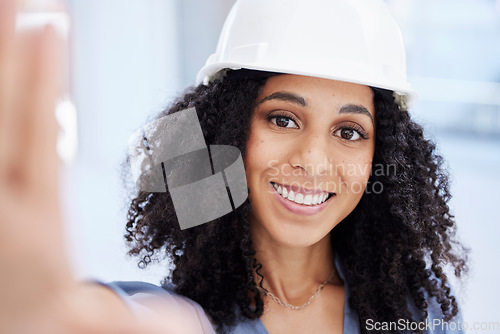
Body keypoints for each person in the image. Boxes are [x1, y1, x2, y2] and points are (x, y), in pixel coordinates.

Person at [0, 0, 468, 333]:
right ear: (227, 131)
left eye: (349, 132)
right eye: (283, 119)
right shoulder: (190, 315)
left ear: (380, 154)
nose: (313, 161)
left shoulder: (417, 310)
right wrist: (50, 313)